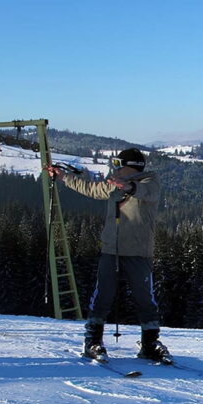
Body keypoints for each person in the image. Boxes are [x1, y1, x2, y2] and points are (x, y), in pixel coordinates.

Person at [48, 148, 168, 362]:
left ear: (130, 167)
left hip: (139, 253)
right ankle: (93, 341)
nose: (116, 168)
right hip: (111, 250)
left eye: (119, 164)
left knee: (145, 299)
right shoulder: (113, 184)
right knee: (103, 296)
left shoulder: (151, 181)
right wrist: (63, 177)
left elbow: (146, 193)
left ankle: (150, 343)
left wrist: (129, 186)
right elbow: (90, 188)